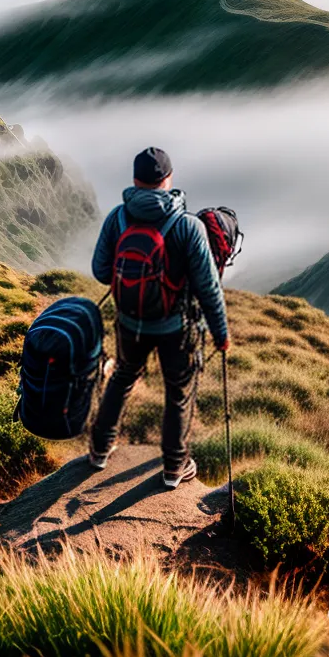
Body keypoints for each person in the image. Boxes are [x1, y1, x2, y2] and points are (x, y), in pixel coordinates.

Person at [89, 146, 229, 487]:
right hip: (174, 328)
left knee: (123, 376)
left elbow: (99, 270)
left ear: (135, 180)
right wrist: (221, 333)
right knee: (177, 393)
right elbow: (209, 288)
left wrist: (132, 279)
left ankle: (99, 451)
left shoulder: (118, 218)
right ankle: (173, 468)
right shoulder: (188, 226)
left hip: (129, 321)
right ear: (168, 179)